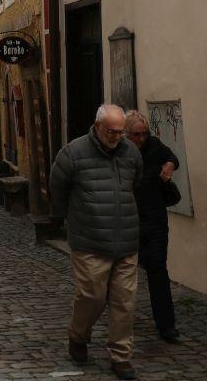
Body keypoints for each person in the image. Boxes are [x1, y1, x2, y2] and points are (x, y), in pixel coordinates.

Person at [49, 104, 143, 381]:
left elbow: (135, 185)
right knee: (92, 295)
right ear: (98, 126)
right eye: (112, 131)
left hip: (126, 239)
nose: (117, 136)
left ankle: (121, 355)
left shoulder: (131, 153)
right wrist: (70, 219)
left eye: (121, 131)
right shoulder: (73, 153)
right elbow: (57, 189)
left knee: (125, 301)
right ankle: (78, 336)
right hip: (89, 240)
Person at [125, 110, 179, 342]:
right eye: (136, 134)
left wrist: (169, 166)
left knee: (158, 270)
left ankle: (166, 325)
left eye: (144, 134)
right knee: (123, 272)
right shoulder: (121, 151)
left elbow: (172, 157)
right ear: (127, 134)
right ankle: (120, 321)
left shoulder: (154, 146)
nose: (141, 138)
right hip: (128, 220)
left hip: (155, 219)